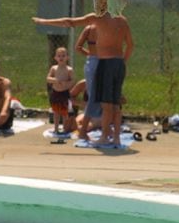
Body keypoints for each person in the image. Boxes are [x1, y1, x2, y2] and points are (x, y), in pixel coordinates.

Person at [32, 12, 134, 147]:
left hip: (105, 62)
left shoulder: (99, 18)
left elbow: (70, 22)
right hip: (116, 62)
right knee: (113, 103)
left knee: (105, 103)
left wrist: (44, 21)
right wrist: (122, 61)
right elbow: (130, 45)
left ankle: (102, 134)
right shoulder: (122, 20)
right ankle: (114, 137)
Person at [46, 47, 75, 134]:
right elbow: (48, 78)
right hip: (55, 92)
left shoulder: (69, 69)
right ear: (55, 57)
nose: (61, 57)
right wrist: (55, 80)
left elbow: (73, 80)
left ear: (67, 57)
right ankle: (56, 128)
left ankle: (65, 128)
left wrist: (66, 84)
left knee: (64, 112)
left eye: (63, 55)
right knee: (56, 112)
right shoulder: (54, 68)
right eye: (59, 56)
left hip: (64, 93)